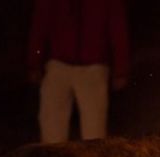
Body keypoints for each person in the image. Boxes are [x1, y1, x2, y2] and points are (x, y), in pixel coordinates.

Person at [28, 0, 130, 143]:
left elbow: (117, 27)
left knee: (94, 134)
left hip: (93, 67)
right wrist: (34, 63)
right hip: (58, 64)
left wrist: (120, 68)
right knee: (51, 129)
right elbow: (40, 23)